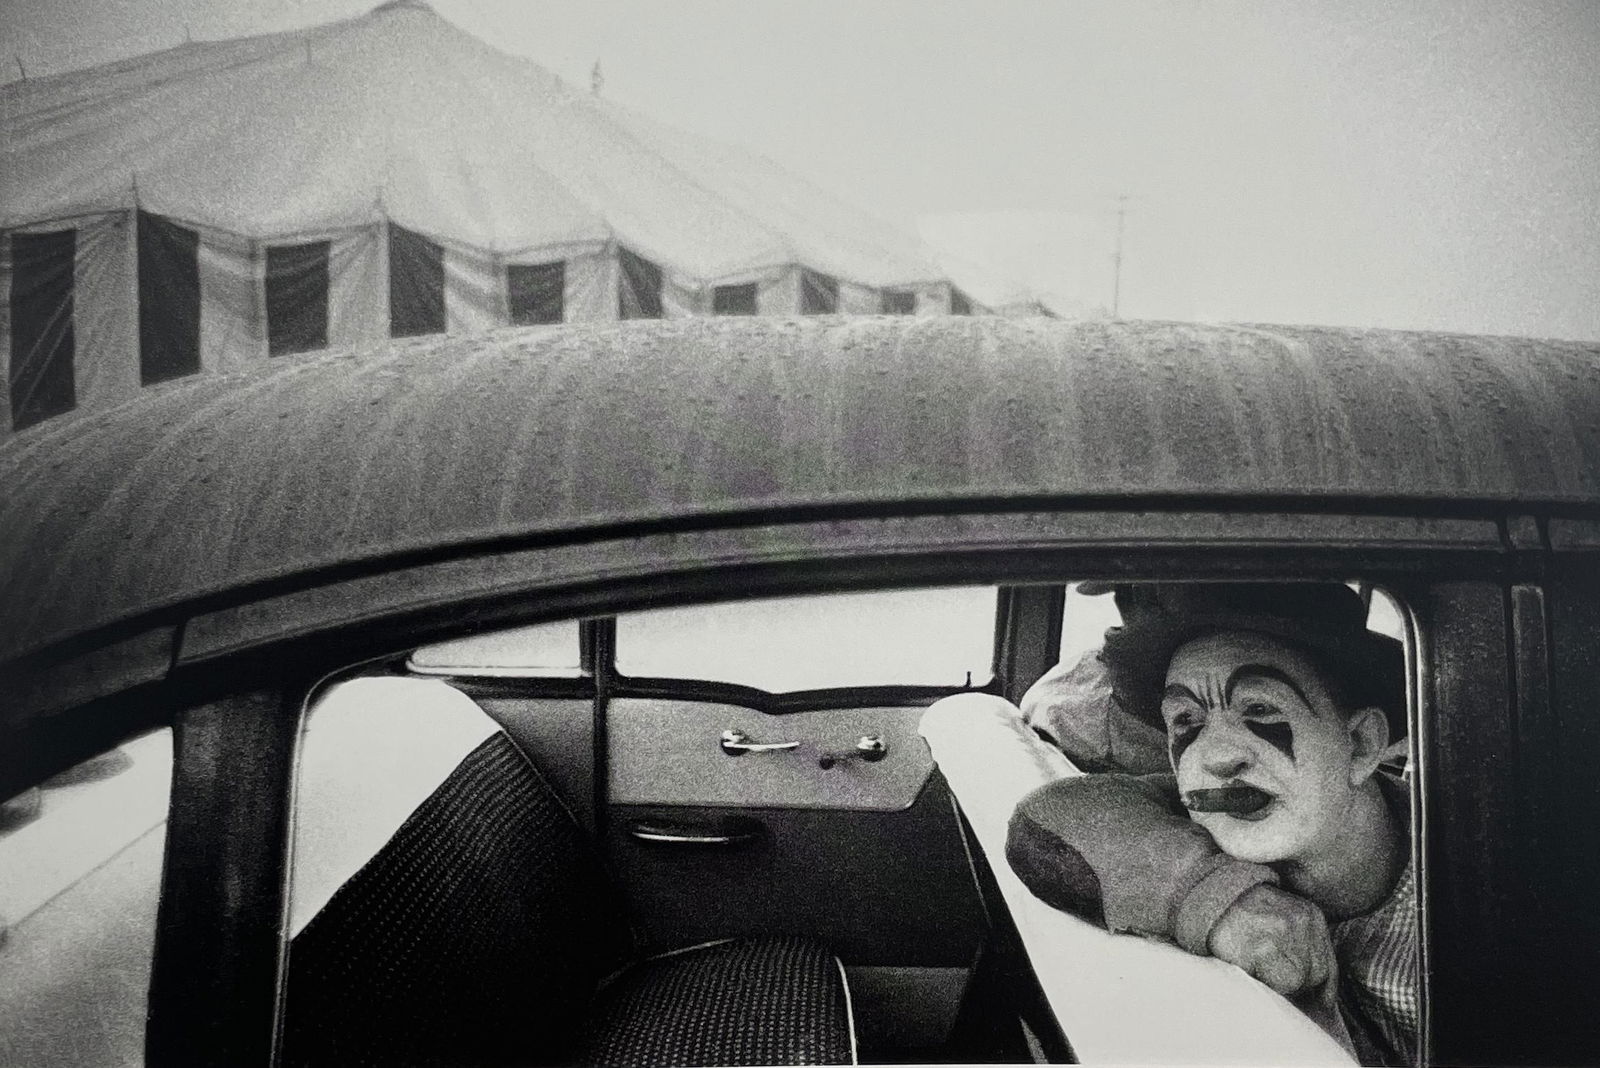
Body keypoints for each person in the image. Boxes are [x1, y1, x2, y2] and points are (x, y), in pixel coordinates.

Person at [1006, 583, 1416, 1066]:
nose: (1216, 759)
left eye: (1260, 708)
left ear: (1363, 744)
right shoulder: (1219, 819)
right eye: (1185, 720)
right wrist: (1218, 901)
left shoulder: (1486, 867)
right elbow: (1050, 815)